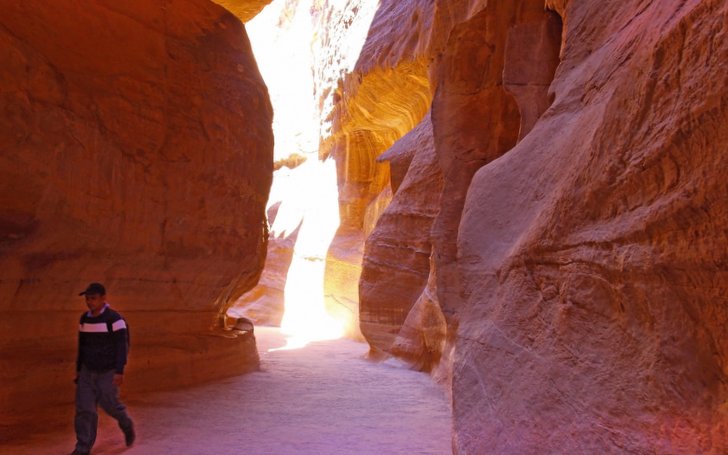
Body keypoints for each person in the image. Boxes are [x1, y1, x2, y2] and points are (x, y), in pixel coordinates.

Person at [69, 282, 135, 455]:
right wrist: (78, 368)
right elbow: (82, 346)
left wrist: (119, 371)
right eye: (87, 299)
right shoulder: (84, 319)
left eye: (93, 298)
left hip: (107, 372)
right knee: (85, 409)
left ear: (103, 298)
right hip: (87, 371)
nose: (90, 302)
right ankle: (83, 448)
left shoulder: (115, 320)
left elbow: (122, 347)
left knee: (110, 406)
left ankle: (126, 424)